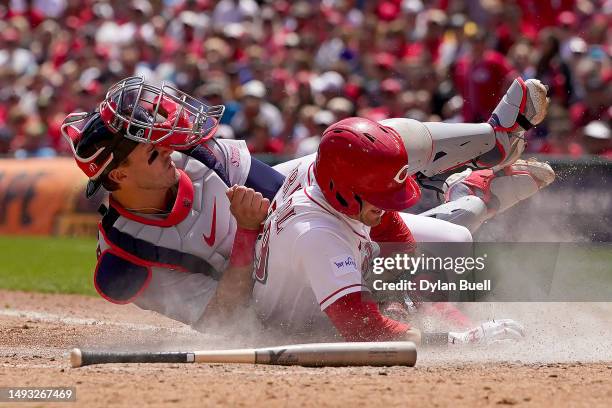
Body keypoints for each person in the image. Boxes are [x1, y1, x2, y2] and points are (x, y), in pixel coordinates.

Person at [62, 75, 551, 337]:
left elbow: (301, 200)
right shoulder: (124, 261)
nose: (171, 149)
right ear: (118, 176)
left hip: (288, 242)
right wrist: (248, 234)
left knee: (346, 147)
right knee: (445, 237)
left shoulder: (204, 155)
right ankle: (470, 200)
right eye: (154, 149)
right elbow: (222, 324)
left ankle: (493, 140)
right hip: (271, 308)